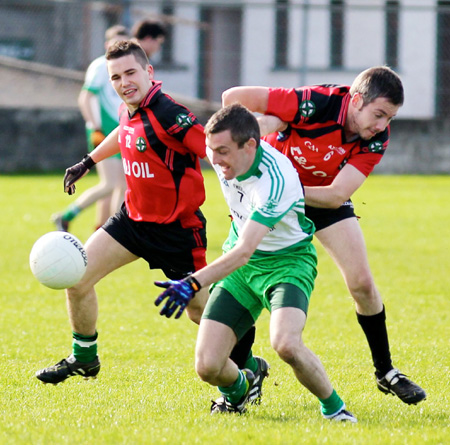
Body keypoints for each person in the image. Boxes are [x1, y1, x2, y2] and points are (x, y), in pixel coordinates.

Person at [36, 41, 266, 401]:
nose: (124, 82)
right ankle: (85, 358)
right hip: (132, 220)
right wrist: (88, 161)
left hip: (177, 231)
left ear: (148, 73)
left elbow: (211, 148)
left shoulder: (169, 113)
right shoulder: (130, 109)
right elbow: (124, 133)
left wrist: (250, 186)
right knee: (77, 278)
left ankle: (249, 367)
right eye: (116, 76)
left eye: (130, 73)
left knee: (201, 312)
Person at [221, 66, 426, 405]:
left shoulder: (376, 136)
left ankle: (386, 372)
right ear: (356, 100)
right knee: (245, 279)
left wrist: (287, 187)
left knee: (362, 282)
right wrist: (267, 124)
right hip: (272, 200)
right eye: (378, 115)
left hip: (318, 197)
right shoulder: (314, 103)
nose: (381, 126)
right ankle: (248, 370)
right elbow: (232, 98)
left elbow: (335, 195)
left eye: (389, 118)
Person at [154, 103, 357, 422]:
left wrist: (192, 283)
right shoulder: (223, 149)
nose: (215, 160)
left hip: (286, 265)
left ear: (250, 146)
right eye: (212, 151)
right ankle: (238, 392)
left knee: (286, 344)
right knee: (207, 366)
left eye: (222, 152)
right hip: (242, 270)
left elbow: (245, 251)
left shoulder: (276, 181)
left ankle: (335, 409)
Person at [52, 25, 129, 232]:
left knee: (121, 185)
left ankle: (107, 231)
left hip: (118, 129)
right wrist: (95, 128)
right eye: (115, 44)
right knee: (111, 185)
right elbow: (85, 97)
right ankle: (67, 216)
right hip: (102, 131)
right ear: (106, 45)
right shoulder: (100, 66)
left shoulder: (121, 67)